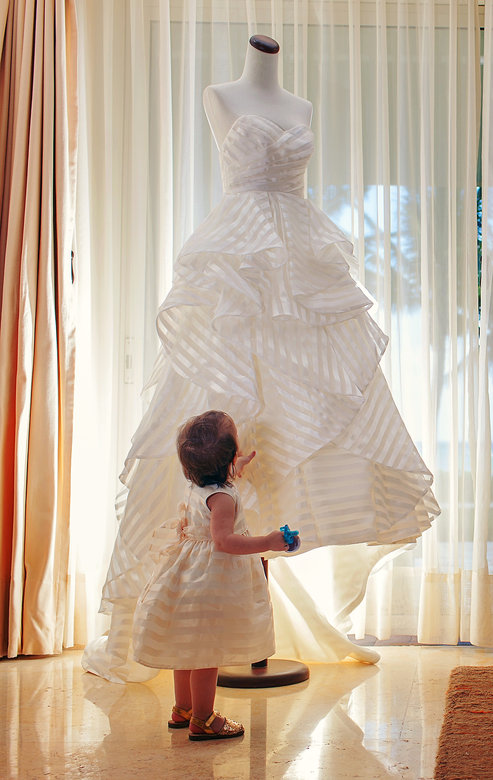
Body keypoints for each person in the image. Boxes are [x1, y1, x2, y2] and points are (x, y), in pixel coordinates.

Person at [83, 33, 440, 683]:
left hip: (299, 255)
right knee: (231, 391)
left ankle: (255, 619)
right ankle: (217, 628)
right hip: (239, 254)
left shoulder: (300, 106)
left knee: (303, 401)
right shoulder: (218, 95)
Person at [132, 410, 298, 740]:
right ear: (227, 457)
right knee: (206, 653)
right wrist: (268, 542)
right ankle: (204, 719)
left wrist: (236, 467)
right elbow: (224, 541)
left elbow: (217, 485)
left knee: (187, 648)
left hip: (185, 574)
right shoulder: (222, 498)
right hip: (210, 579)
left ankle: (183, 709)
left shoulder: (199, 485)